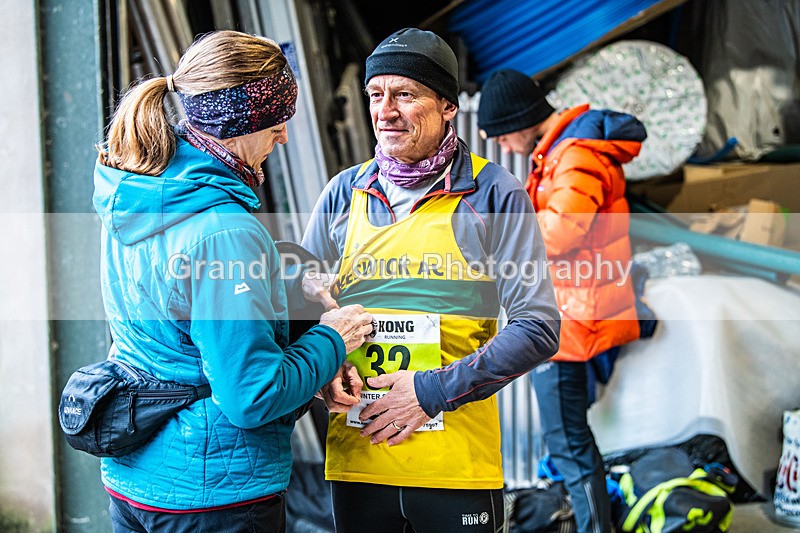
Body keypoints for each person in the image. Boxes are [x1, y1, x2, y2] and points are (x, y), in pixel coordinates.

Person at [92, 30, 373, 532]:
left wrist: (284, 268)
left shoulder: (139, 188)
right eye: (276, 122)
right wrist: (335, 338)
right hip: (214, 496)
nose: (284, 137)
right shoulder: (224, 230)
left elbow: (177, 297)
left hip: (135, 476)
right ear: (241, 120)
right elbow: (252, 396)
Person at [301, 28, 561, 533]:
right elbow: (302, 307)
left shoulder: (492, 194)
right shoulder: (342, 193)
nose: (385, 110)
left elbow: (538, 327)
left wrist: (429, 392)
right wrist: (320, 373)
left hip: (455, 469)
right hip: (359, 464)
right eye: (376, 94)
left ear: (447, 107)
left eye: (405, 94)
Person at [477, 68, 648, 533]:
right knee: (569, 440)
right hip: (565, 313)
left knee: (568, 442)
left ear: (516, 123)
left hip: (569, 322)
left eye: (498, 136)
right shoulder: (564, 151)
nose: (501, 145)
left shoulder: (576, 156)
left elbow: (562, 231)